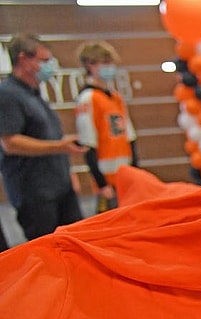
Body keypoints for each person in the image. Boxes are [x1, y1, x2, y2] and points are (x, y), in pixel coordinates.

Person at [0, 33, 87, 242]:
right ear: (23, 60)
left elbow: (49, 135)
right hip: (35, 193)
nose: (50, 67)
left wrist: (68, 172)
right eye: (44, 61)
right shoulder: (8, 94)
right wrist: (60, 147)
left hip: (59, 185)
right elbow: (10, 143)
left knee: (76, 243)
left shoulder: (34, 93)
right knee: (48, 251)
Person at [75, 40, 138, 213]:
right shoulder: (88, 99)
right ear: (90, 65)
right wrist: (101, 183)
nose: (110, 67)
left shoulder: (116, 97)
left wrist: (135, 171)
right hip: (106, 179)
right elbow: (88, 144)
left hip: (124, 175)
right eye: (105, 63)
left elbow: (129, 136)